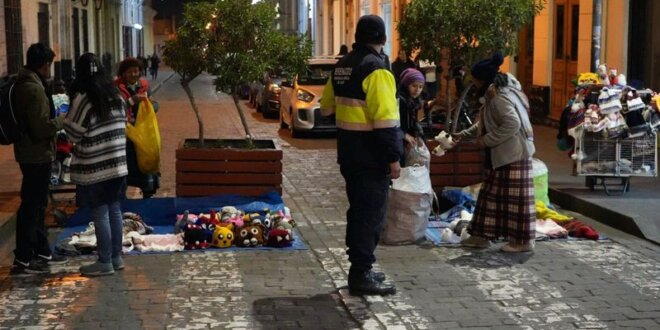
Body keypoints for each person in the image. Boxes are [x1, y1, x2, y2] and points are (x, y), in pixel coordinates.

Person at [320, 15, 402, 296]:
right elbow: (386, 122)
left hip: (349, 154)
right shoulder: (376, 69)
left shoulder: (342, 65)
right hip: (372, 157)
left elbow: (326, 108)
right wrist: (394, 158)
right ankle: (361, 273)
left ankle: (361, 268)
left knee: (359, 212)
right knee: (370, 216)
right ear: (382, 38)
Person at [453, 53, 536, 253]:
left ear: (484, 79)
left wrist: (486, 141)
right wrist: (462, 135)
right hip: (503, 155)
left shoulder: (500, 97)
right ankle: (481, 236)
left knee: (516, 203)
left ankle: (522, 242)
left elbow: (512, 123)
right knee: (490, 198)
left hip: (513, 155)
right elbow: (485, 122)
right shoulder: (495, 93)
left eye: (475, 78)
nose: (472, 82)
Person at [64, 53, 128, 276]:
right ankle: (116, 258)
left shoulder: (85, 98)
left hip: (97, 167)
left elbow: (73, 132)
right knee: (115, 210)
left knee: (100, 213)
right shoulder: (116, 95)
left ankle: (104, 262)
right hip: (118, 164)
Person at [10, 43, 67, 275]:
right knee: (32, 206)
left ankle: (42, 250)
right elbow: (41, 127)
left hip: (33, 153)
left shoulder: (26, 83)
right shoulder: (32, 89)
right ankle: (24, 257)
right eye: (49, 64)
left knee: (38, 203)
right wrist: (62, 119)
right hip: (35, 155)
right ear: (44, 65)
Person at [114, 57, 160, 198]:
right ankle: (122, 198)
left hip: (142, 132)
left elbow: (154, 103)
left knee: (145, 160)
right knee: (126, 167)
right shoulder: (116, 87)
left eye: (136, 71)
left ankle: (148, 193)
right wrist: (131, 101)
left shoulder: (145, 85)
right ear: (123, 73)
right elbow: (115, 108)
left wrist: (151, 106)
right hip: (125, 133)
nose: (133, 74)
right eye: (130, 72)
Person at [397, 68, 426, 166]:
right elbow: (395, 123)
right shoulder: (401, 101)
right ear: (406, 85)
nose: (417, 90)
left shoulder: (413, 101)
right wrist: (404, 135)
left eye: (420, 87)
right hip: (399, 142)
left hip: (405, 141)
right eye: (414, 85)